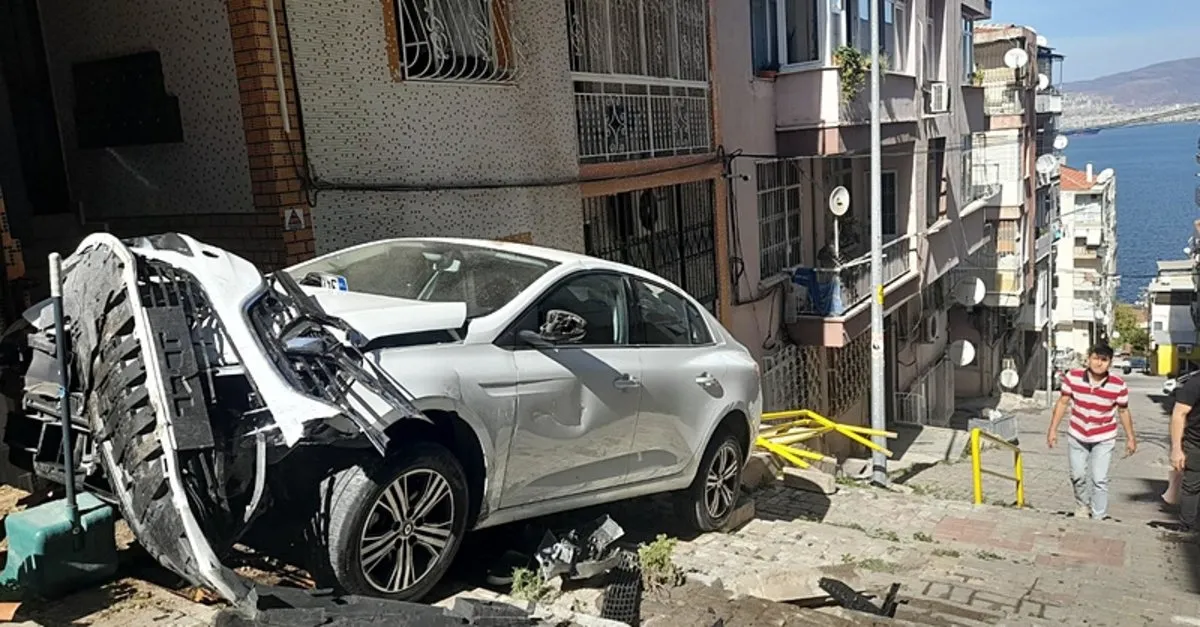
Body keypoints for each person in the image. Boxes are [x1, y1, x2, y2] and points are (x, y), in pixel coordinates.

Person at [1046, 343, 1137, 520]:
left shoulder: (1118, 385)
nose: (1099, 363)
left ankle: (1099, 516)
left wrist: (1131, 438)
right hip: (1077, 434)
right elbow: (1063, 402)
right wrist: (1053, 430)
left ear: (1110, 362)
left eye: (1104, 360)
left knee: (1099, 479)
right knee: (1077, 475)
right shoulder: (1073, 377)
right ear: (1088, 358)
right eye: (1096, 358)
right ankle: (1082, 505)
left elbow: (1123, 411)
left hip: (1104, 436)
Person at [1169, 370, 1200, 529]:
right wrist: (1176, 448)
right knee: (1192, 487)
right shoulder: (1195, 383)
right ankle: (1187, 528)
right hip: (1196, 444)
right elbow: (1178, 414)